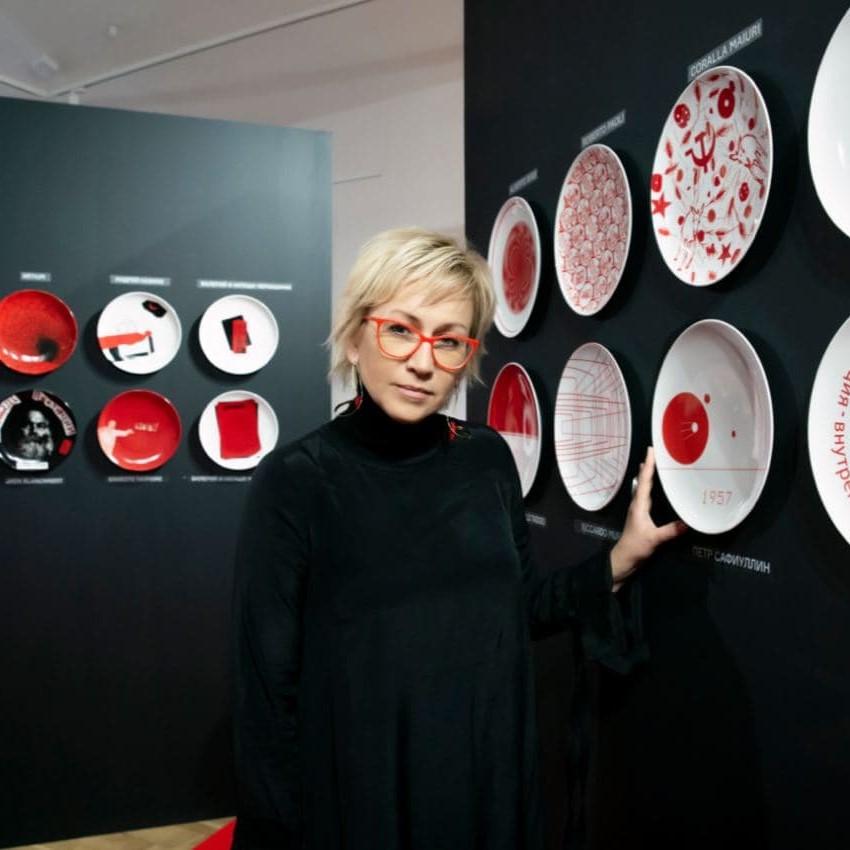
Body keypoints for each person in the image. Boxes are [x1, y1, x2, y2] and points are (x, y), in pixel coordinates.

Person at [231, 227, 687, 850]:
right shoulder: (298, 480)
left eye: (448, 341)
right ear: (355, 336)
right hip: (366, 801)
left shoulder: (486, 457)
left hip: (484, 783)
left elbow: (520, 607)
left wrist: (620, 558)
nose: (423, 362)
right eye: (400, 330)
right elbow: (266, 693)